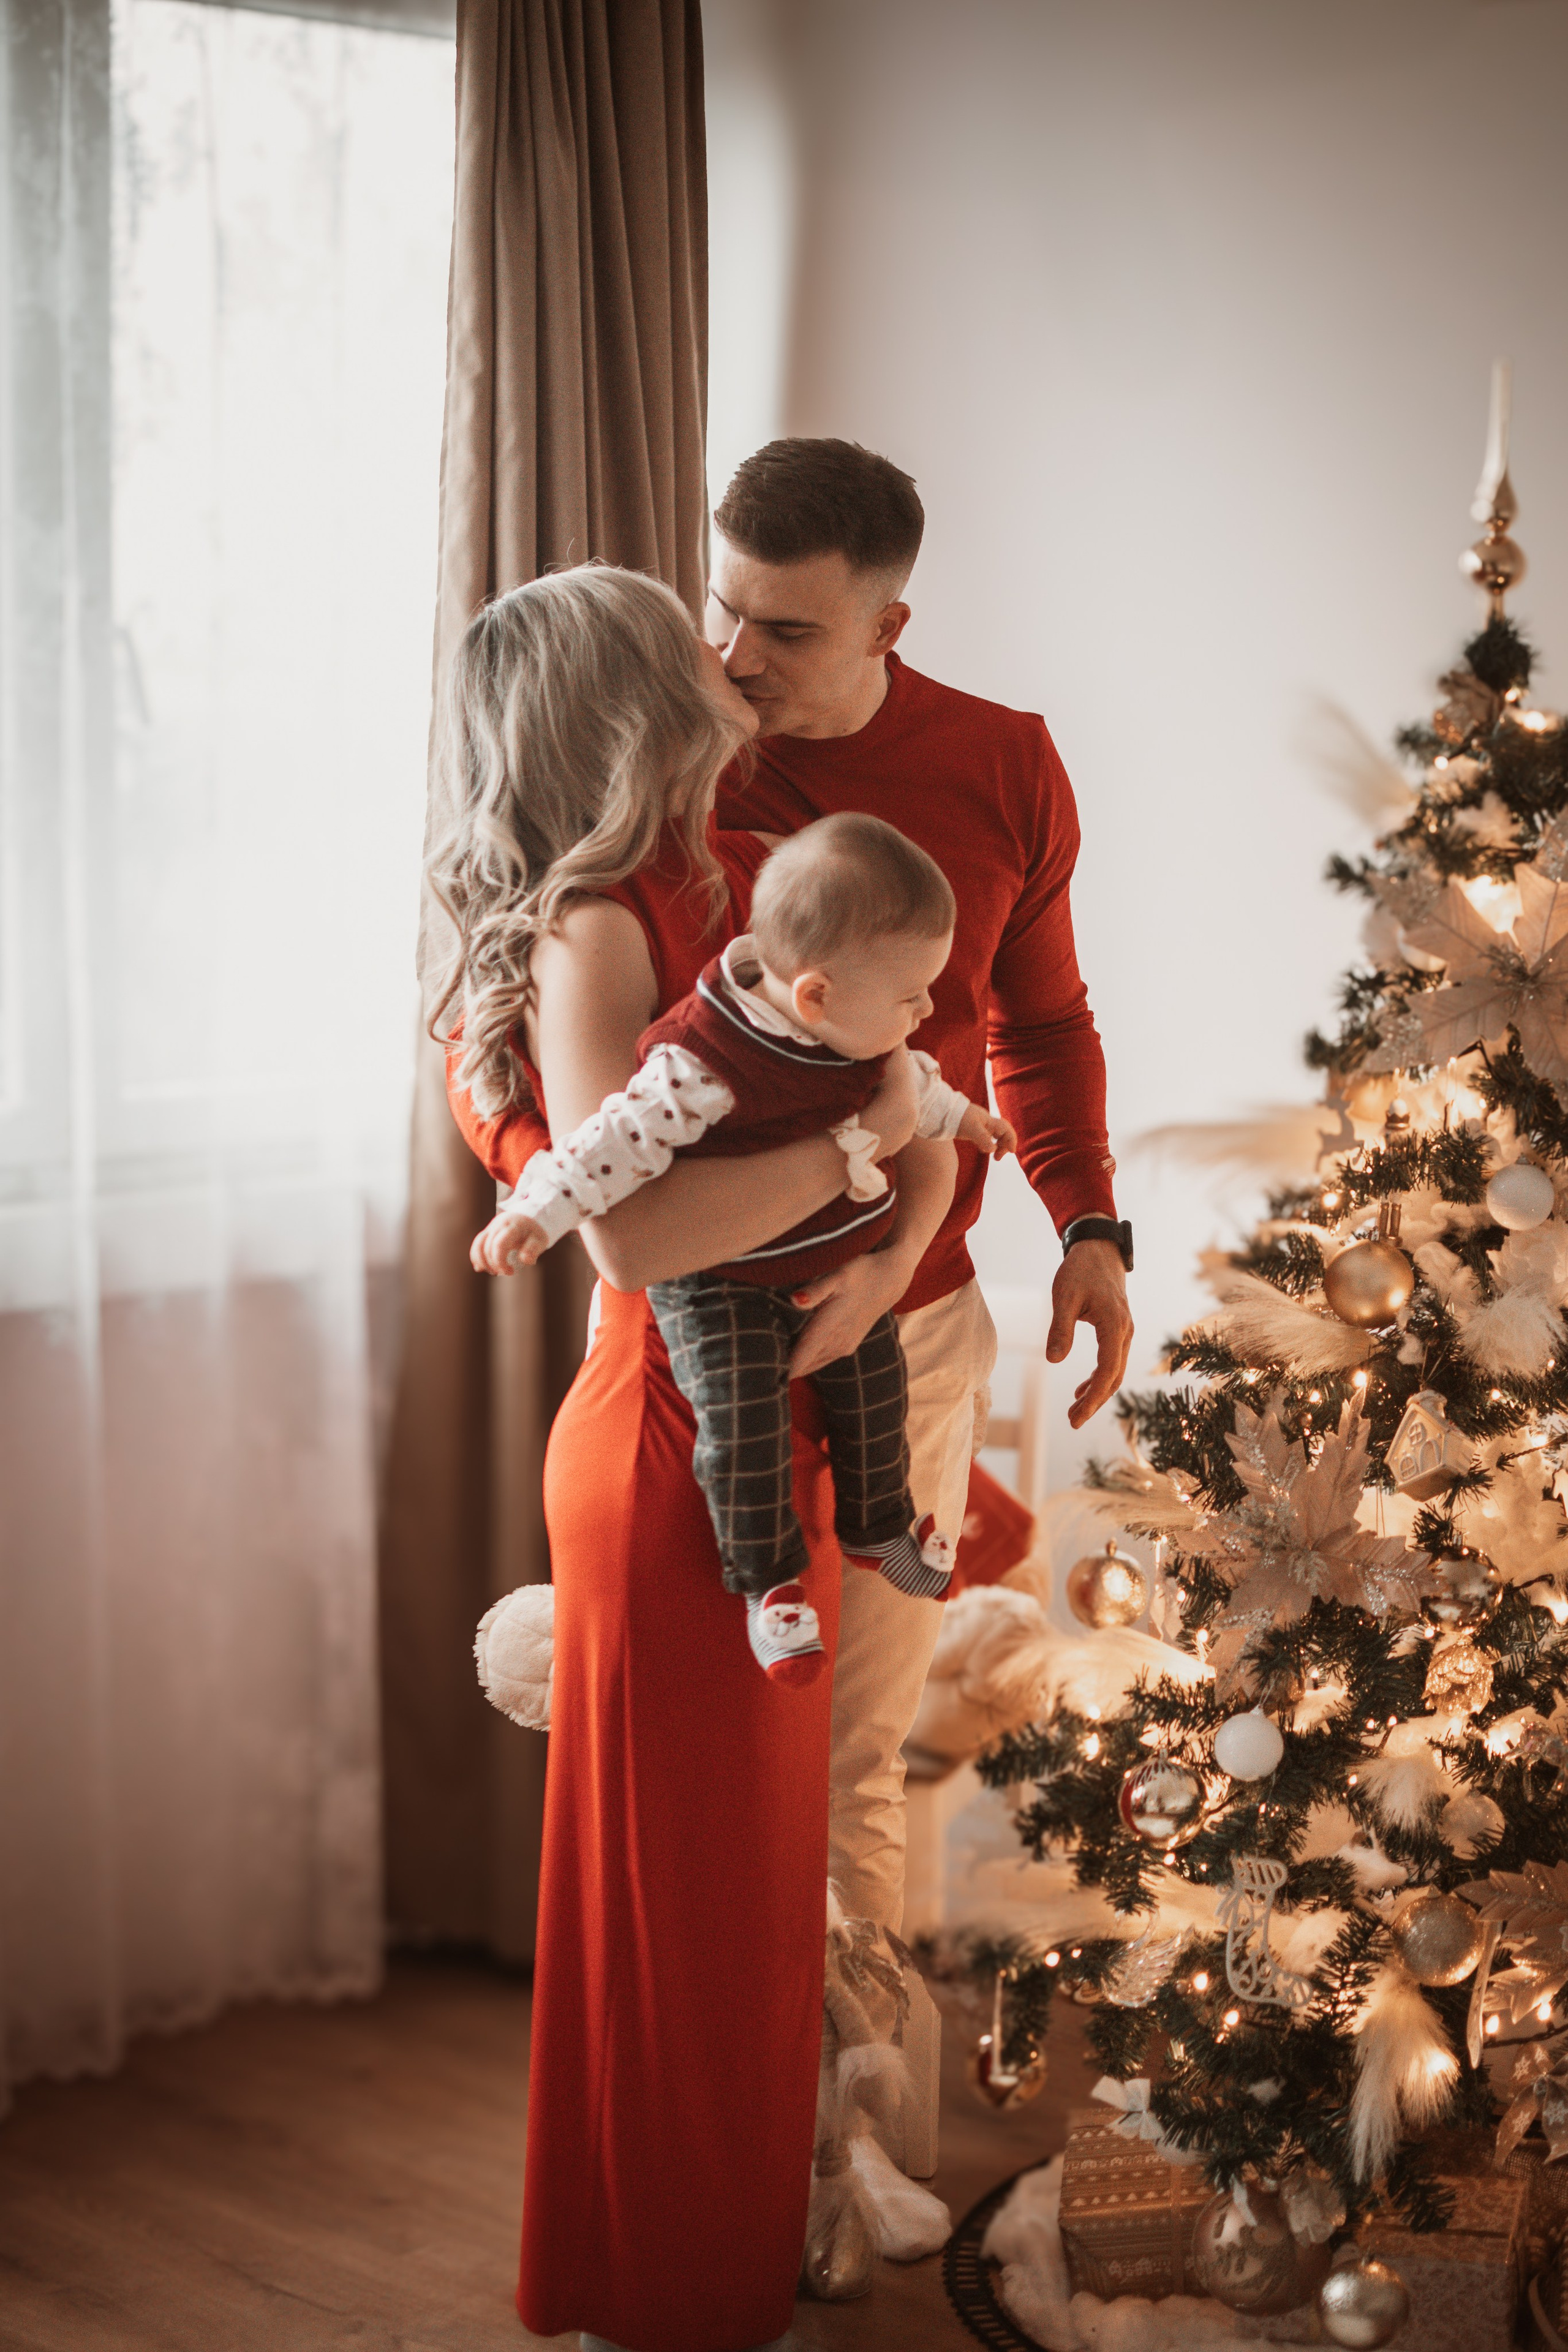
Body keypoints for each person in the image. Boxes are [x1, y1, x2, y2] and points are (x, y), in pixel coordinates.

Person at [432, 563, 952, 2352]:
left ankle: (702, 2267)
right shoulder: (596, 923)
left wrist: (886, 1234)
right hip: (673, 1441)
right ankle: (661, 2294)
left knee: (743, 1905)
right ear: (635, 693)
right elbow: (634, 1236)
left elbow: (892, 1098)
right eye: (690, 642)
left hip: (774, 1423)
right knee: (686, 1907)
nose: (726, 662)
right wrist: (858, 1154)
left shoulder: (736, 871)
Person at [706, 438, 1133, 1977]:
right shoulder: (684, 752)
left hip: (920, 1320)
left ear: (889, 626)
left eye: (784, 630)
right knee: (716, 1742)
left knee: (855, 1762)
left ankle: (855, 2115)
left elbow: (1041, 1022)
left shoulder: (1002, 763)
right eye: (724, 609)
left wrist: (1088, 1227)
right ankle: (718, 2102)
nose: (734, 657)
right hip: (708, 1318)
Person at [471, 812, 1016, 1686]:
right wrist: (536, 1214)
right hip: (721, 1284)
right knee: (740, 1426)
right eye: (913, 995)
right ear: (816, 997)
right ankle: (770, 1588)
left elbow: (920, 1091)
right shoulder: (705, 1061)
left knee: (877, 1386)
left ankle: (881, 1526)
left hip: (825, 1264)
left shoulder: (860, 1029)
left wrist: (972, 1121)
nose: (926, 1010)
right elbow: (611, 1143)